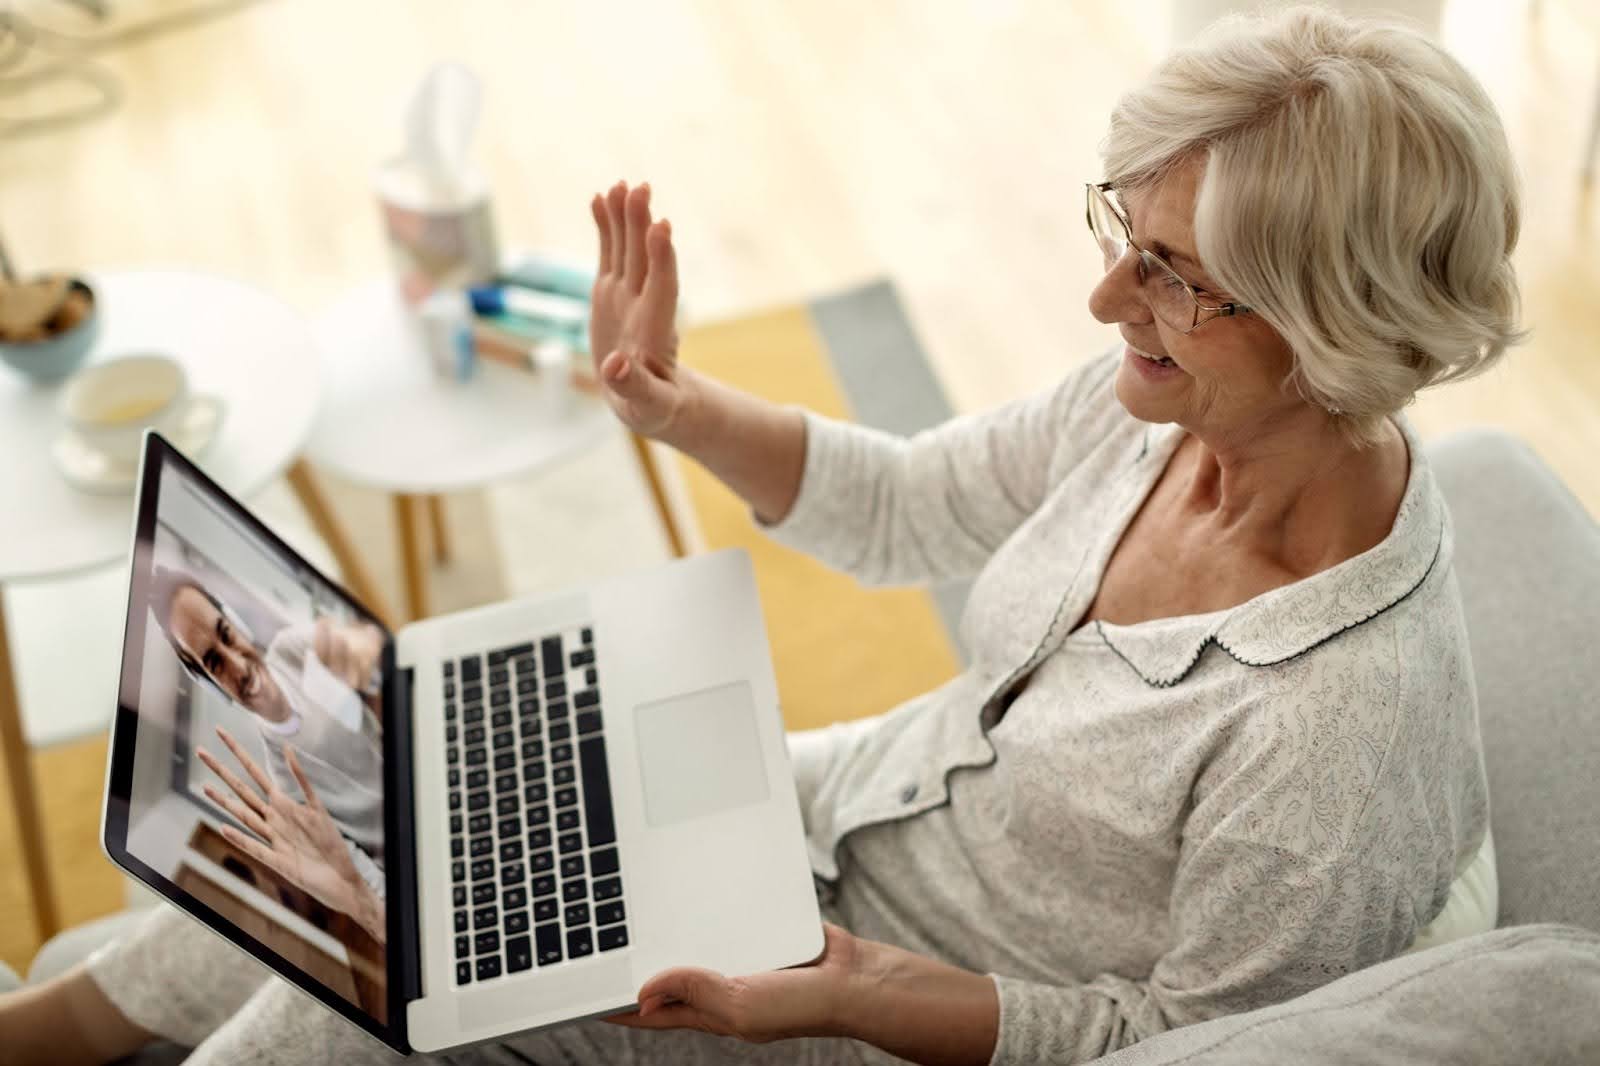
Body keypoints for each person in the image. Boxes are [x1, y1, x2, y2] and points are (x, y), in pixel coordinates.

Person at [0, 7, 1523, 1064]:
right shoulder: (1161, 410)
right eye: (1122, 234)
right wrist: (672, 402)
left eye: (1171, 273)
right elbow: (912, 500)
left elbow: (1182, 1046)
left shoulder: (1340, 729)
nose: (1107, 298)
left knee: (381, 955)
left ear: (1333, 322)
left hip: (872, 1009)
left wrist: (862, 990)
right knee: (416, 780)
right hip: (820, 813)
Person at [150, 567, 389, 863]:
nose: (239, 667)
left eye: (226, 634)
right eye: (214, 663)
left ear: (236, 622)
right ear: (210, 684)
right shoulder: (285, 783)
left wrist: (365, 643)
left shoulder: (291, 648)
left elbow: (359, 643)